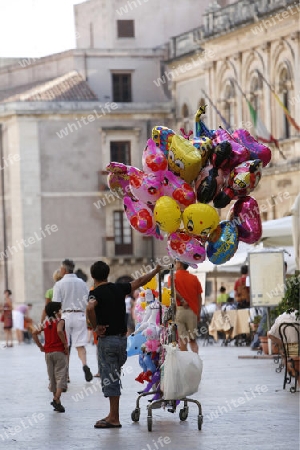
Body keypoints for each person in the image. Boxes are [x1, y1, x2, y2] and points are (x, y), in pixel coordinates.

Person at [86, 261, 162, 429]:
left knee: (110, 378)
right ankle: (112, 414)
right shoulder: (118, 288)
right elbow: (140, 281)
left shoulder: (94, 293)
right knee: (114, 376)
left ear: (92, 276)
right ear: (107, 273)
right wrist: (156, 270)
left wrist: (96, 327)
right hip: (122, 341)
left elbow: (90, 308)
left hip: (108, 341)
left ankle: (114, 417)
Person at [52, 259, 93, 382]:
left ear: (64, 270)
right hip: (79, 315)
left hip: (66, 317)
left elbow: (56, 305)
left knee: (65, 346)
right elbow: (88, 300)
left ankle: (66, 374)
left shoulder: (59, 284)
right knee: (80, 345)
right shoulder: (81, 282)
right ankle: (85, 364)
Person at [32, 302, 69, 413]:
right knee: (61, 375)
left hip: (48, 353)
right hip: (59, 351)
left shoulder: (45, 323)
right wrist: (65, 345)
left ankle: (58, 403)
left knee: (52, 377)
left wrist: (40, 346)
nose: (61, 312)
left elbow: (34, 333)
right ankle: (56, 398)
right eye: (60, 310)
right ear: (56, 312)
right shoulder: (60, 322)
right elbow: (59, 331)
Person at [173, 260, 203, 353]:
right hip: (192, 312)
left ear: (180, 264)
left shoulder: (173, 277)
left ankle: (185, 363)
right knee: (193, 340)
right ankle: (195, 361)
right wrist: (198, 313)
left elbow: (172, 291)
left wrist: (181, 300)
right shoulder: (194, 278)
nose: (175, 264)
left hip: (179, 311)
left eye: (176, 262)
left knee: (183, 340)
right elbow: (199, 298)